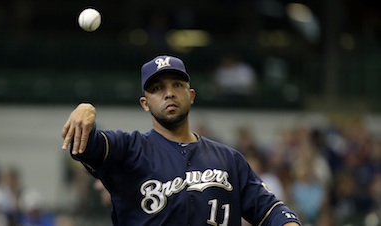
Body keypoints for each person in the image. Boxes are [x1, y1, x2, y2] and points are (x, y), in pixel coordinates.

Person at [61, 55, 302, 226]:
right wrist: (85, 111)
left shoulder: (229, 159)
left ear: (191, 95)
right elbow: (87, 146)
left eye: (177, 84)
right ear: (145, 103)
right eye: (157, 88)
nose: (169, 93)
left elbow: (271, 211)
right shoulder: (129, 149)